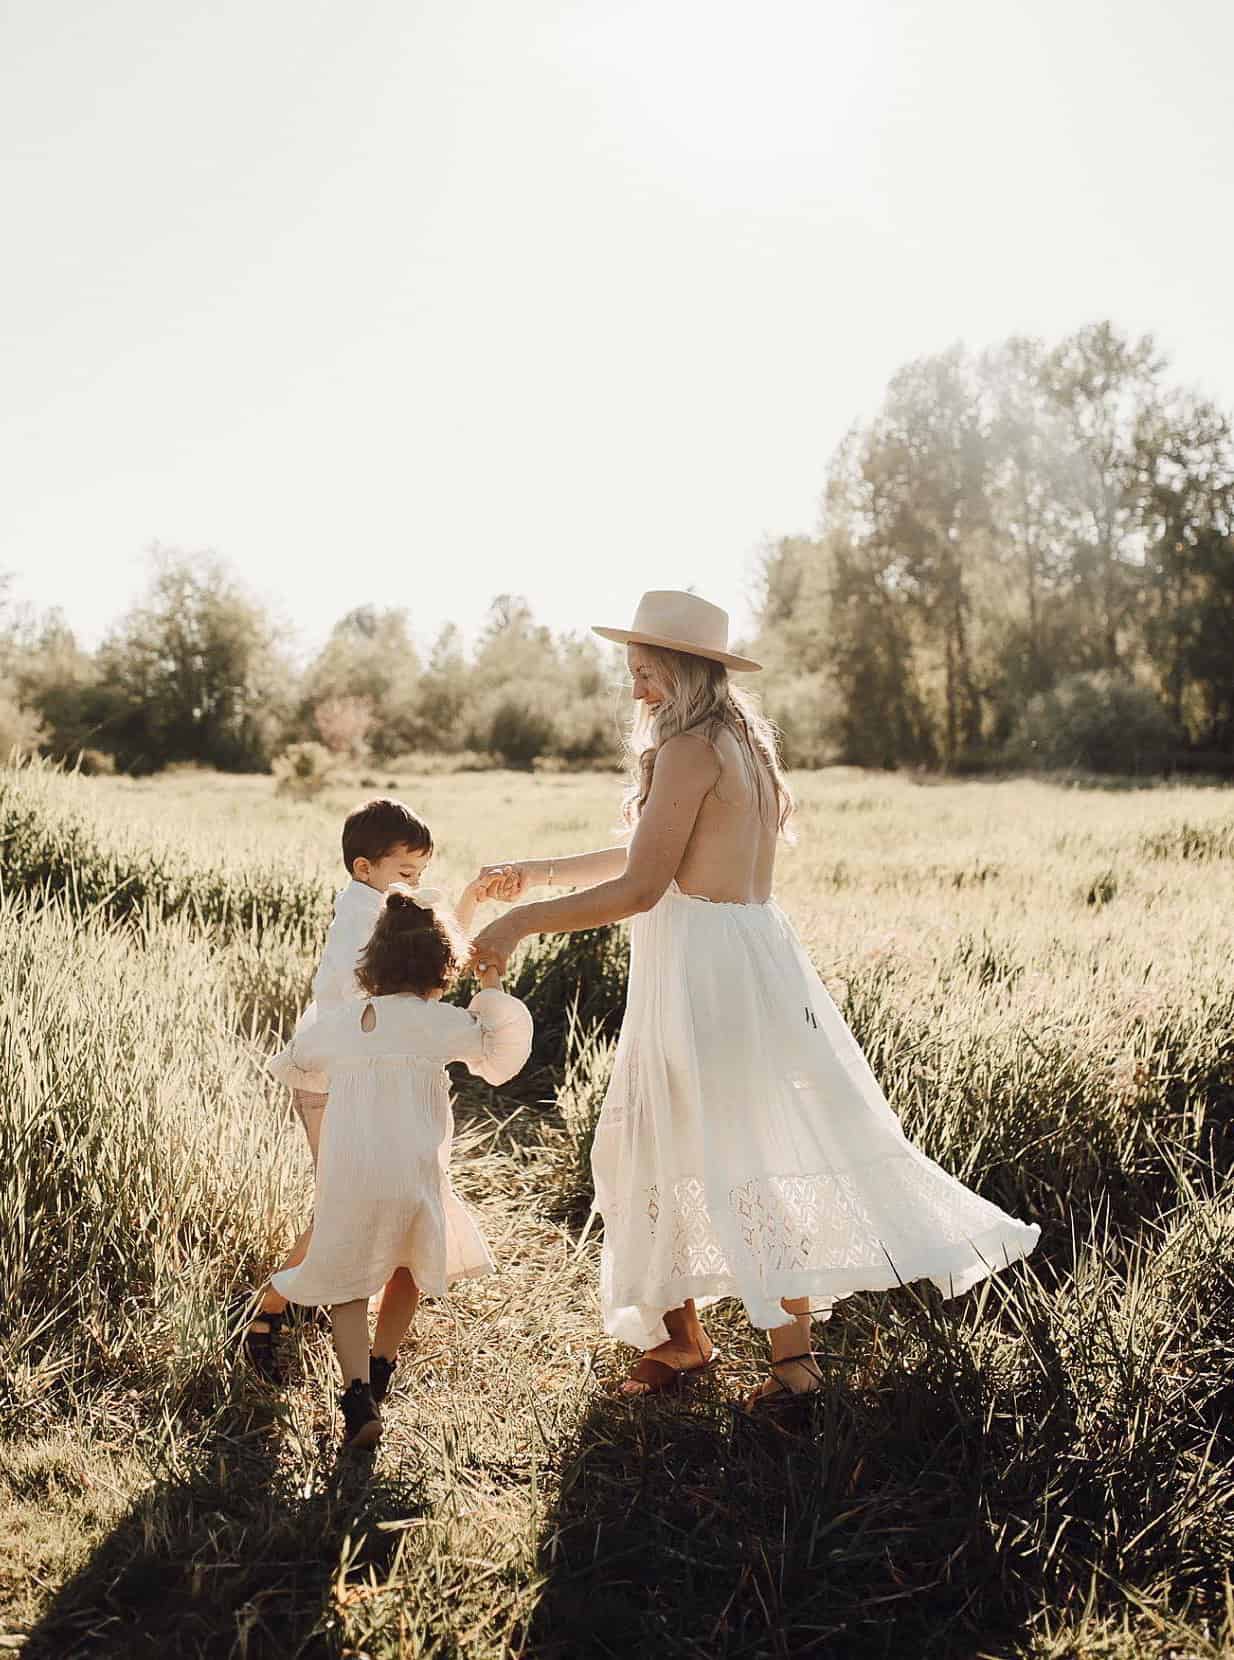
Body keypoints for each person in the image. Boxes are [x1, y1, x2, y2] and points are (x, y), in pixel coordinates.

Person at [472, 589, 1040, 1408]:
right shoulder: (737, 740)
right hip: (742, 961)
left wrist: (520, 922)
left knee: (686, 1152)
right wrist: (542, 873)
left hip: (702, 976)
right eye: (632, 670)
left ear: (686, 668)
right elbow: (657, 848)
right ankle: (712, 1345)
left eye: (648, 671)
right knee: (723, 1152)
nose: (635, 688)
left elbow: (641, 884)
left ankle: (772, 1364)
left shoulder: (690, 749)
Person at [245, 797, 503, 1384]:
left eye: (420, 876)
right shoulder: (361, 920)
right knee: (347, 1203)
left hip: (363, 1079)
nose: (415, 887)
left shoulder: (380, 910)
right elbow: (373, 996)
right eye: (406, 874)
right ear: (365, 869)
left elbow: (431, 960)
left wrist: (467, 903)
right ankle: (272, 1306)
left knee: (360, 1198)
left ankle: (306, 1307)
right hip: (336, 1083)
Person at [271, 883, 533, 1449]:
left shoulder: (348, 1023)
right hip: (414, 1174)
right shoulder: (438, 1023)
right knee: (408, 1267)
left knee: (346, 1280)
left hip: (350, 1173)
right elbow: (500, 1054)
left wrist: (338, 1077)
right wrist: (489, 985)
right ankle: (384, 1363)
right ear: (442, 967)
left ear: (374, 963)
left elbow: (292, 1064)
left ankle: (357, 1390)